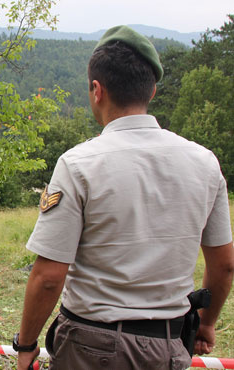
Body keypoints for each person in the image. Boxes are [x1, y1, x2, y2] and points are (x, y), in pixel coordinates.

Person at [15, 25, 233, 370]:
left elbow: (49, 277)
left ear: (97, 90)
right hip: (170, 345)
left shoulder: (77, 164)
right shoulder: (205, 163)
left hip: (90, 347)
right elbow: (224, 265)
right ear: (153, 90)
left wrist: (25, 344)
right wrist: (205, 324)